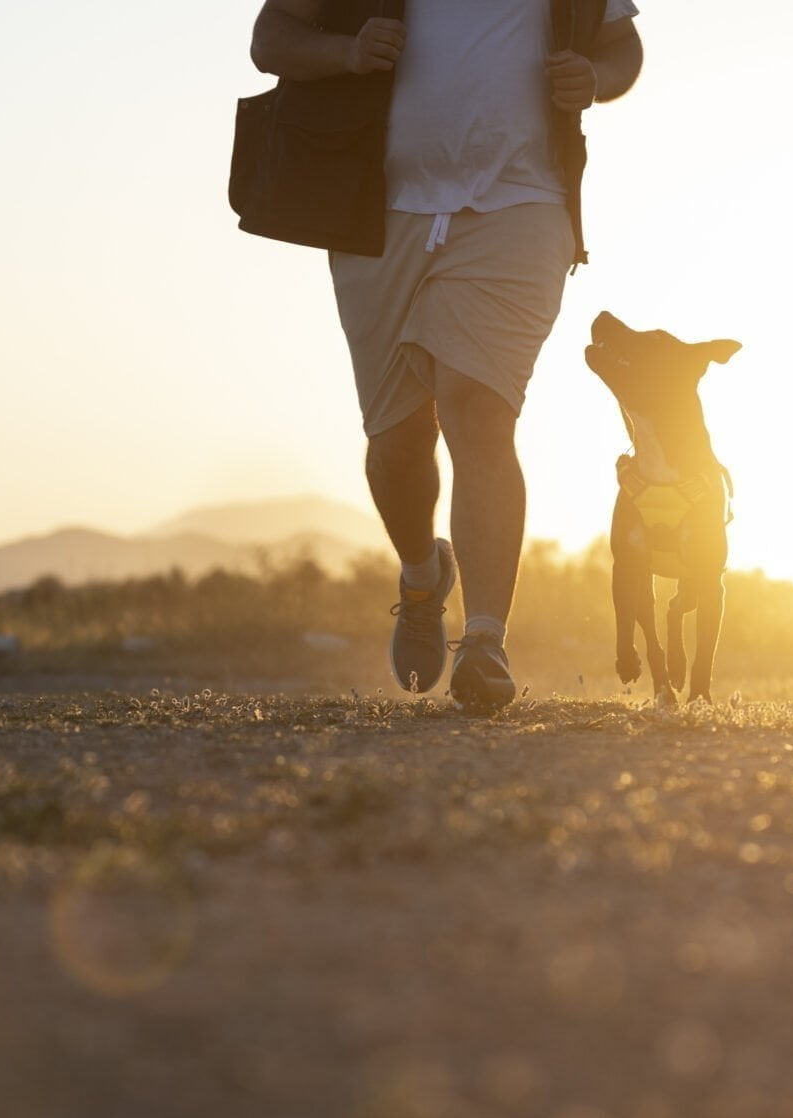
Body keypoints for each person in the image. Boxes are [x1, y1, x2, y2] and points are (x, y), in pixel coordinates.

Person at [249, 0, 644, 711]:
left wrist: (594, 75)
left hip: (522, 204)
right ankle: (424, 574)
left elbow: (624, 48)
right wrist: (346, 52)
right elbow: (271, 38)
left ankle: (485, 643)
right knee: (398, 443)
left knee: (478, 408)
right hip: (378, 211)